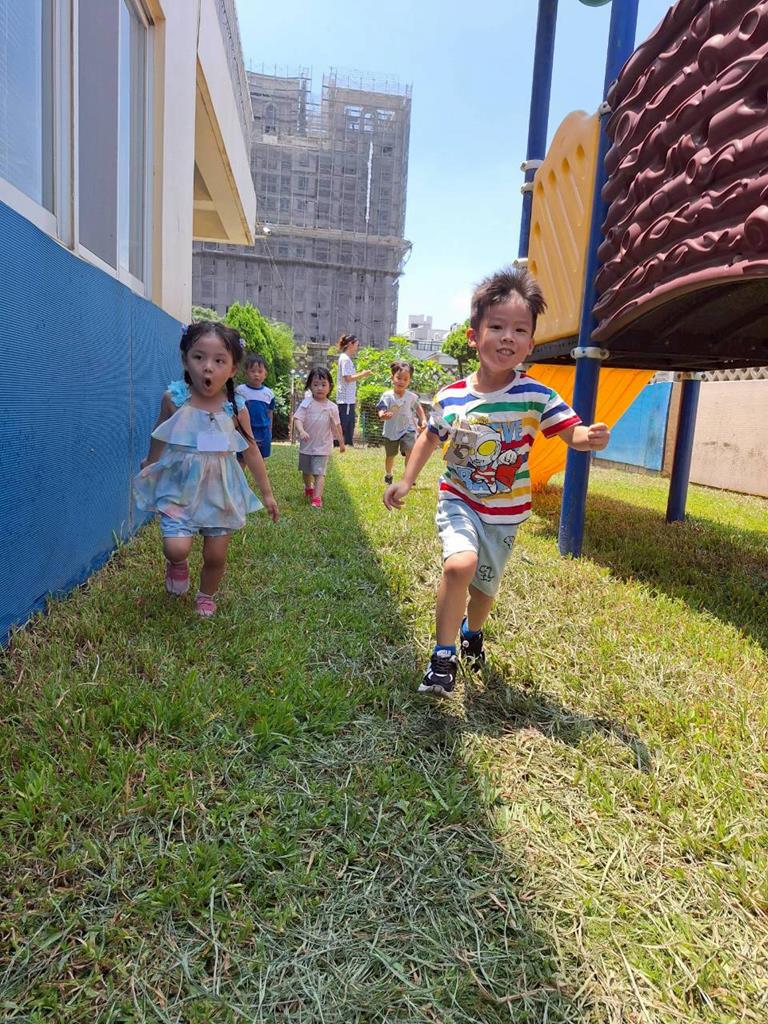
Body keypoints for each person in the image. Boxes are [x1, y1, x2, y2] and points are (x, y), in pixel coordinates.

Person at [383, 266, 610, 695]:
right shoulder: (451, 396)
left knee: (485, 589)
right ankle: (443, 657)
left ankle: (472, 633)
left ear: (530, 343)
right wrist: (407, 481)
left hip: (505, 513)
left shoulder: (536, 395)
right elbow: (430, 438)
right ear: (475, 336)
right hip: (459, 498)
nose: (508, 337)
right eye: (498, 327)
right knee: (460, 565)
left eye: (520, 330)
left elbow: (570, 432)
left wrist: (588, 437)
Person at [134, 321, 279, 617]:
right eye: (199, 357)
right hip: (180, 488)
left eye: (219, 361)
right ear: (185, 360)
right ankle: (177, 563)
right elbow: (160, 434)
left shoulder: (235, 407)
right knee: (176, 547)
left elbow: (250, 449)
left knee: (216, 556)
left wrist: (267, 493)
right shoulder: (175, 399)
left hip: (219, 492)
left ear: (233, 369)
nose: (208, 367)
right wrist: (151, 461)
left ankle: (206, 594)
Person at [294, 367, 345, 509]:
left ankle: (317, 498)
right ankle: (308, 487)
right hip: (306, 446)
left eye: (323, 384)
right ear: (310, 386)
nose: (319, 388)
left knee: (319, 473)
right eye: (315, 384)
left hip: (323, 447)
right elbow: (297, 418)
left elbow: (337, 426)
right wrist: (301, 430)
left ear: (330, 386)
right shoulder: (306, 403)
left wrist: (341, 443)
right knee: (306, 472)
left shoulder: (332, 407)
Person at [376, 360, 427, 484]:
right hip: (391, 431)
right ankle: (388, 474)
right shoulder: (388, 396)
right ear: (392, 377)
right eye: (398, 378)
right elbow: (381, 408)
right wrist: (383, 415)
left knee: (410, 451)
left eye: (405, 379)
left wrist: (423, 419)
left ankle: (408, 477)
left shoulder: (411, 396)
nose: (401, 382)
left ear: (409, 381)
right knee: (390, 455)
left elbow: (418, 406)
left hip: (407, 429)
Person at [236, 353, 275, 459]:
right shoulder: (240, 391)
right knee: (242, 458)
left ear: (265, 374)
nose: (256, 374)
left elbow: (270, 413)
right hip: (244, 431)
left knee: (260, 459)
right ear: (246, 373)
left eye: (260, 371)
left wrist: (270, 430)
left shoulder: (269, 393)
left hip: (263, 432)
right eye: (253, 371)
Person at [336, 334, 372, 446]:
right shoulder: (345, 359)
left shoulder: (345, 359)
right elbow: (348, 378)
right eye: (357, 344)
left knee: (349, 422)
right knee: (346, 424)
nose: (357, 347)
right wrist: (363, 374)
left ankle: (344, 444)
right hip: (345, 400)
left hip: (348, 399)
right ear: (350, 344)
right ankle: (344, 444)